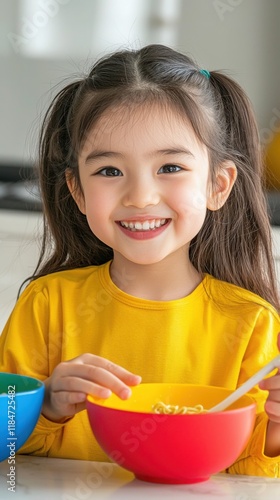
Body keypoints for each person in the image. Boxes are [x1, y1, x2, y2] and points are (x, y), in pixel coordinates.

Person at [0, 44, 279, 476]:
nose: (140, 197)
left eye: (169, 167)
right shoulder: (45, 306)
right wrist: (49, 405)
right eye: (109, 171)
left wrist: (277, 430)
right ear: (77, 191)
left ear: (217, 185)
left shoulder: (252, 324)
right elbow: (9, 455)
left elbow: (255, 474)